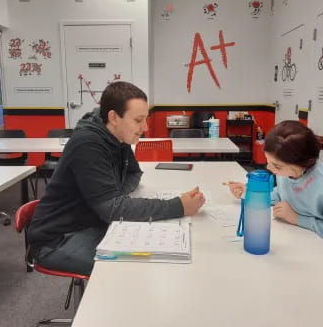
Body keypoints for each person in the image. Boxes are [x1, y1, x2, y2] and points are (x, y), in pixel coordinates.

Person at [28, 81, 205, 275]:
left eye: (145, 119)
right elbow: (111, 209)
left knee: (150, 256)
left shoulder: (118, 137)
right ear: (113, 117)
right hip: (58, 239)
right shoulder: (87, 144)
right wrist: (178, 206)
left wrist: (114, 197)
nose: (145, 127)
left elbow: (133, 174)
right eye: (138, 120)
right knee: (127, 272)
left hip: (93, 222)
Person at [226, 120, 323, 282]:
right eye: (268, 161)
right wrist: (252, 193)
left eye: (276, 166)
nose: (270, 169)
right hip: (319, 254)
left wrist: (298, 218)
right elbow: (284, 194)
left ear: (301, 164)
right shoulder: (289, 172)